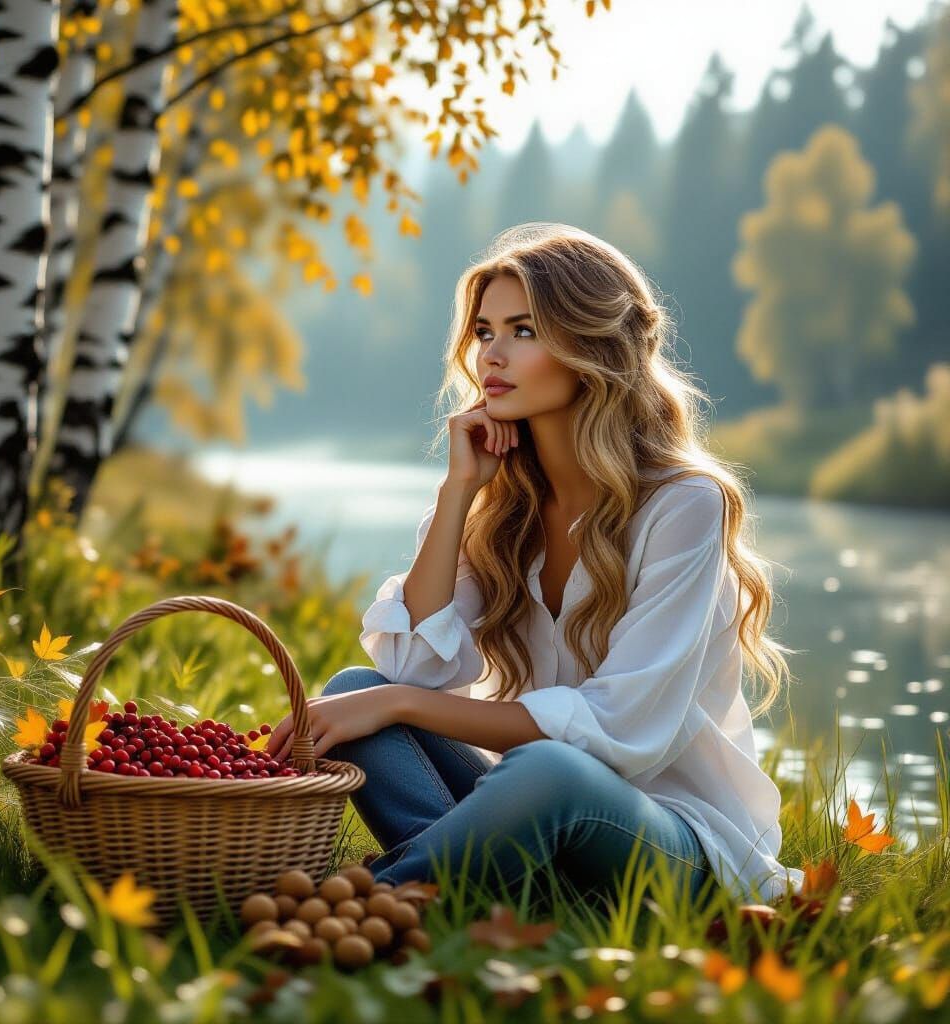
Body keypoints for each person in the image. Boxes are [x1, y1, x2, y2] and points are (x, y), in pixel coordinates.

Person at [266, 222, 805, 909]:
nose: (492, 354)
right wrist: (459, 491)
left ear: (592, 348)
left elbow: (618, 734)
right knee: (355, 687)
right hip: (531, 809)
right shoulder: (503, 501)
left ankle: (364, 905)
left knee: (546, 767)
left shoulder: (684, 504)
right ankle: (484, 886)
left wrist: (396, 701)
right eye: (484, 331)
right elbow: (411, 668)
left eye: (524, 330)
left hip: (671, 846)